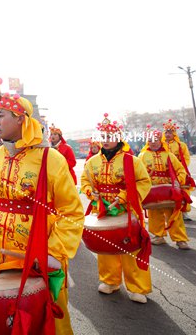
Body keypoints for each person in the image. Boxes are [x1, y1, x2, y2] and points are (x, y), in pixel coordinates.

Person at [0, 84, 84, 334]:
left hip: (39, 256)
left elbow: (72, 212)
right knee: (2, 318)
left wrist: (52, 254)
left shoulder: (50, 159)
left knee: (48, 320)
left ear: (21, 118)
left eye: (1, 115)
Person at [81, 114, 152, 304]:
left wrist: (123, 197)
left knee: (131, 249)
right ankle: (110, 281)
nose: (105, 141)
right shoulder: (92, 162)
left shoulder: (132, 160)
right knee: (106, 249)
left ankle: (137, 287)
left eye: (109, 137)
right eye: (103, 137)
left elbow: (144, 181)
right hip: (102, 210)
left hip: (126, 211)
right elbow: (85, 181)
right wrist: (90, 193)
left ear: (118, 138)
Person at [139, 129, 191, 250]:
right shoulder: (142, 156)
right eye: (150, 140)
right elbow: (138, 173)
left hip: (169, 190)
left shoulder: (169, 155)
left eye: (156, 140)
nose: (153, 143)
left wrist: (178, 181)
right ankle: (158, 236)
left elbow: (180, 170)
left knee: (175, 214)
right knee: (154, 214)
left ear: (160, 140)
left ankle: (180, 239)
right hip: (152, 191)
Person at [162, 119, 195, 221]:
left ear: (174, 133)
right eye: (166, 132)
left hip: (178, 172)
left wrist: (179, 169)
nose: (168, 134)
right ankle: (165, 213)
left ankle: (184, 212)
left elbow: (186, 159)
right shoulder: (160, 145)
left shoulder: (181, 145)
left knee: (182, 191)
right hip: (164, 173)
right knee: (165, 192)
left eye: (170, 132)